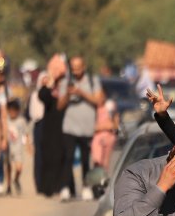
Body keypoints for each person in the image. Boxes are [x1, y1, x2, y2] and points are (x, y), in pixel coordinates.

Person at [57, 56, 105, 201]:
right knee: (68, 157)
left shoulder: (92, 81)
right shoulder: (65, 82)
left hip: (87, 127)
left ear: (84, 66)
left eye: (78, 67)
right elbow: (59, 106)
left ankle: (86, 187)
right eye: (73, 67)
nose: (76, 70)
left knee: (85, 159)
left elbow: (99, 100)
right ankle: (65, 188)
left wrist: (81, 93)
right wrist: (68, 93)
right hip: (69, 126)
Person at [36, 71, 67, 197]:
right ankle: (47, 188)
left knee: (62, 159)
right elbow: (42, 96)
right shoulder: (48, 92)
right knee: (48, 159)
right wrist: (47, 85)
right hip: (49, 130)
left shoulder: (66, 93)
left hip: (64, 130)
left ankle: (61, 187)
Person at [90, 98, 119, 174]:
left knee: (105, 162)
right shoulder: (93, 106)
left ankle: (102, 177)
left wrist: (109, 126)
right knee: (97, 159)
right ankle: (97, 176)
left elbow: (115, 123)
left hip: (109, 135)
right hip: (97, 135)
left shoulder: (110, 105)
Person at [5, 99, 27, 195]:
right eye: (10, 110)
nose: (12, 113)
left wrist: (27, 145)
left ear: (18, 111)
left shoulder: (21, 121)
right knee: (8, 167)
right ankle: (8, 186)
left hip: (18, 148)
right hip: (8, 148)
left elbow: (25, 134)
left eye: (14, 110)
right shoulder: (6, 120)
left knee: (19, 168)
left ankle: (16, 179)